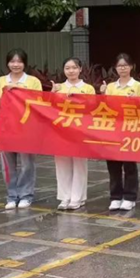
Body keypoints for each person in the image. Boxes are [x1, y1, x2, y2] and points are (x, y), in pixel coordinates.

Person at [0, 48, 43, 210]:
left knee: (27, 164)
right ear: (7, 63)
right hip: (6, 128)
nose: (16, 64)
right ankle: (12, 196)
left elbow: (38, 103)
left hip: (26, 128)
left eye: (19, 61)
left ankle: (26, 195)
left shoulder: (33, 81)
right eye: (12, 61)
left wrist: (19, 91)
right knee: (7, 165)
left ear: (24, 64)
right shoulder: (1, 81)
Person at [100, 53, 140, 211]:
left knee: (129, 165)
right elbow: (104, 108)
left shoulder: (138, 86)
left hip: (130, 130)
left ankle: (130, 197)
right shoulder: (111, 87)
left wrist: (137, 100)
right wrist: (103, 94)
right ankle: (115, 196)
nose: (123, 68)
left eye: (125, 65)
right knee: (113, 166)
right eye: (120, 66)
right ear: (115, 68)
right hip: (113, 130)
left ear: (131, 67)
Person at [52, 57, 96, 210]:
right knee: (61, 164)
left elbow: (93, 108)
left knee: (79, 164)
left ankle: (77, 198)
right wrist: (52, 94)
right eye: (67, 68)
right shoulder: (58, 88)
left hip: (80, 131)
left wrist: (77, 100)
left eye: (74, 67)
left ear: (80, 69)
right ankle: (64, 197)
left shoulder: (88, 88)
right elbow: (50, 108)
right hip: (61, 131)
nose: (71, 71)